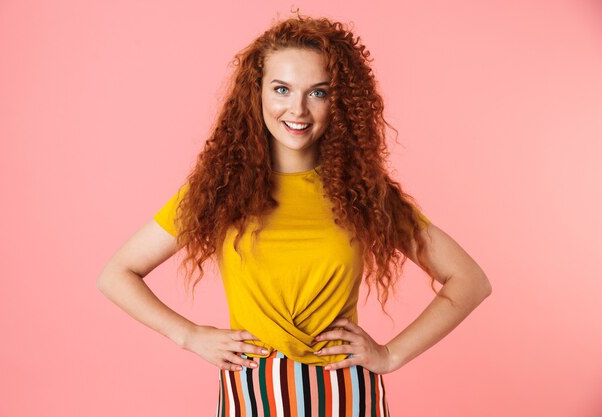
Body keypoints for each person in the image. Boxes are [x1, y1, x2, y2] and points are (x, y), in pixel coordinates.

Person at [97, 14, 492, 417]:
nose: (298, 109)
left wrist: (390, 355)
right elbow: (117, 273)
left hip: (345, 395)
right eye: (282, 89)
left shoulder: (363, 192)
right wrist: (190, 336)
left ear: (337, 100)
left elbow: (470, 280)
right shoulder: (218, 188)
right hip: (250, 394)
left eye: (318, 93)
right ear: (257, 93)